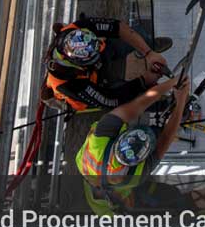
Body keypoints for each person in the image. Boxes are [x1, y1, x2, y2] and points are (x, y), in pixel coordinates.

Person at [75, 74, 191, 215]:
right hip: (111, 206)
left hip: (95, 171)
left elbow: (138, 105)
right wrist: (180, 102)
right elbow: (166, 137)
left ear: (120, 139)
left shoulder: (101, 137)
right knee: (167, 194)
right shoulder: (137, 175)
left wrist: (171, 84)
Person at [45, 15, 172, 112]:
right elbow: (110, 100)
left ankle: (148, 44)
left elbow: (118, 27)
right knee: (134, 98)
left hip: (101, 56)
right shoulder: (67, 84)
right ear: (78, 63)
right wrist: (143, 81)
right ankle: (168, 105)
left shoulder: (75, 28)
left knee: (135, 34)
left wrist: (148, 52)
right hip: (94, 82)